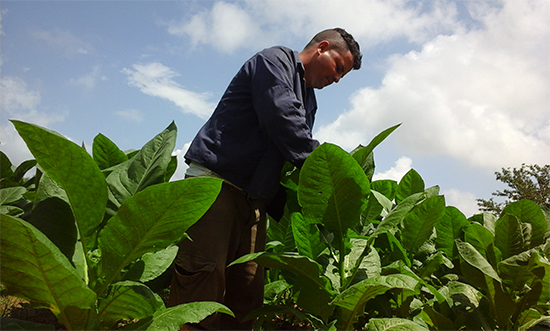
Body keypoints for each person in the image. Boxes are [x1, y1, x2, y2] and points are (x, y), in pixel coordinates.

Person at [168, 28, 362, 330]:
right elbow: (283, 119)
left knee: (246, 297)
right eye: (339, 68)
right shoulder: (274, 61)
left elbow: (288, 153)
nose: (337, 79)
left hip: (254, 201)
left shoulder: (309, 99)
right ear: (322, 48)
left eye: (343, 76)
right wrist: (330, 173)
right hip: (217, 187)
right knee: (200, 289)